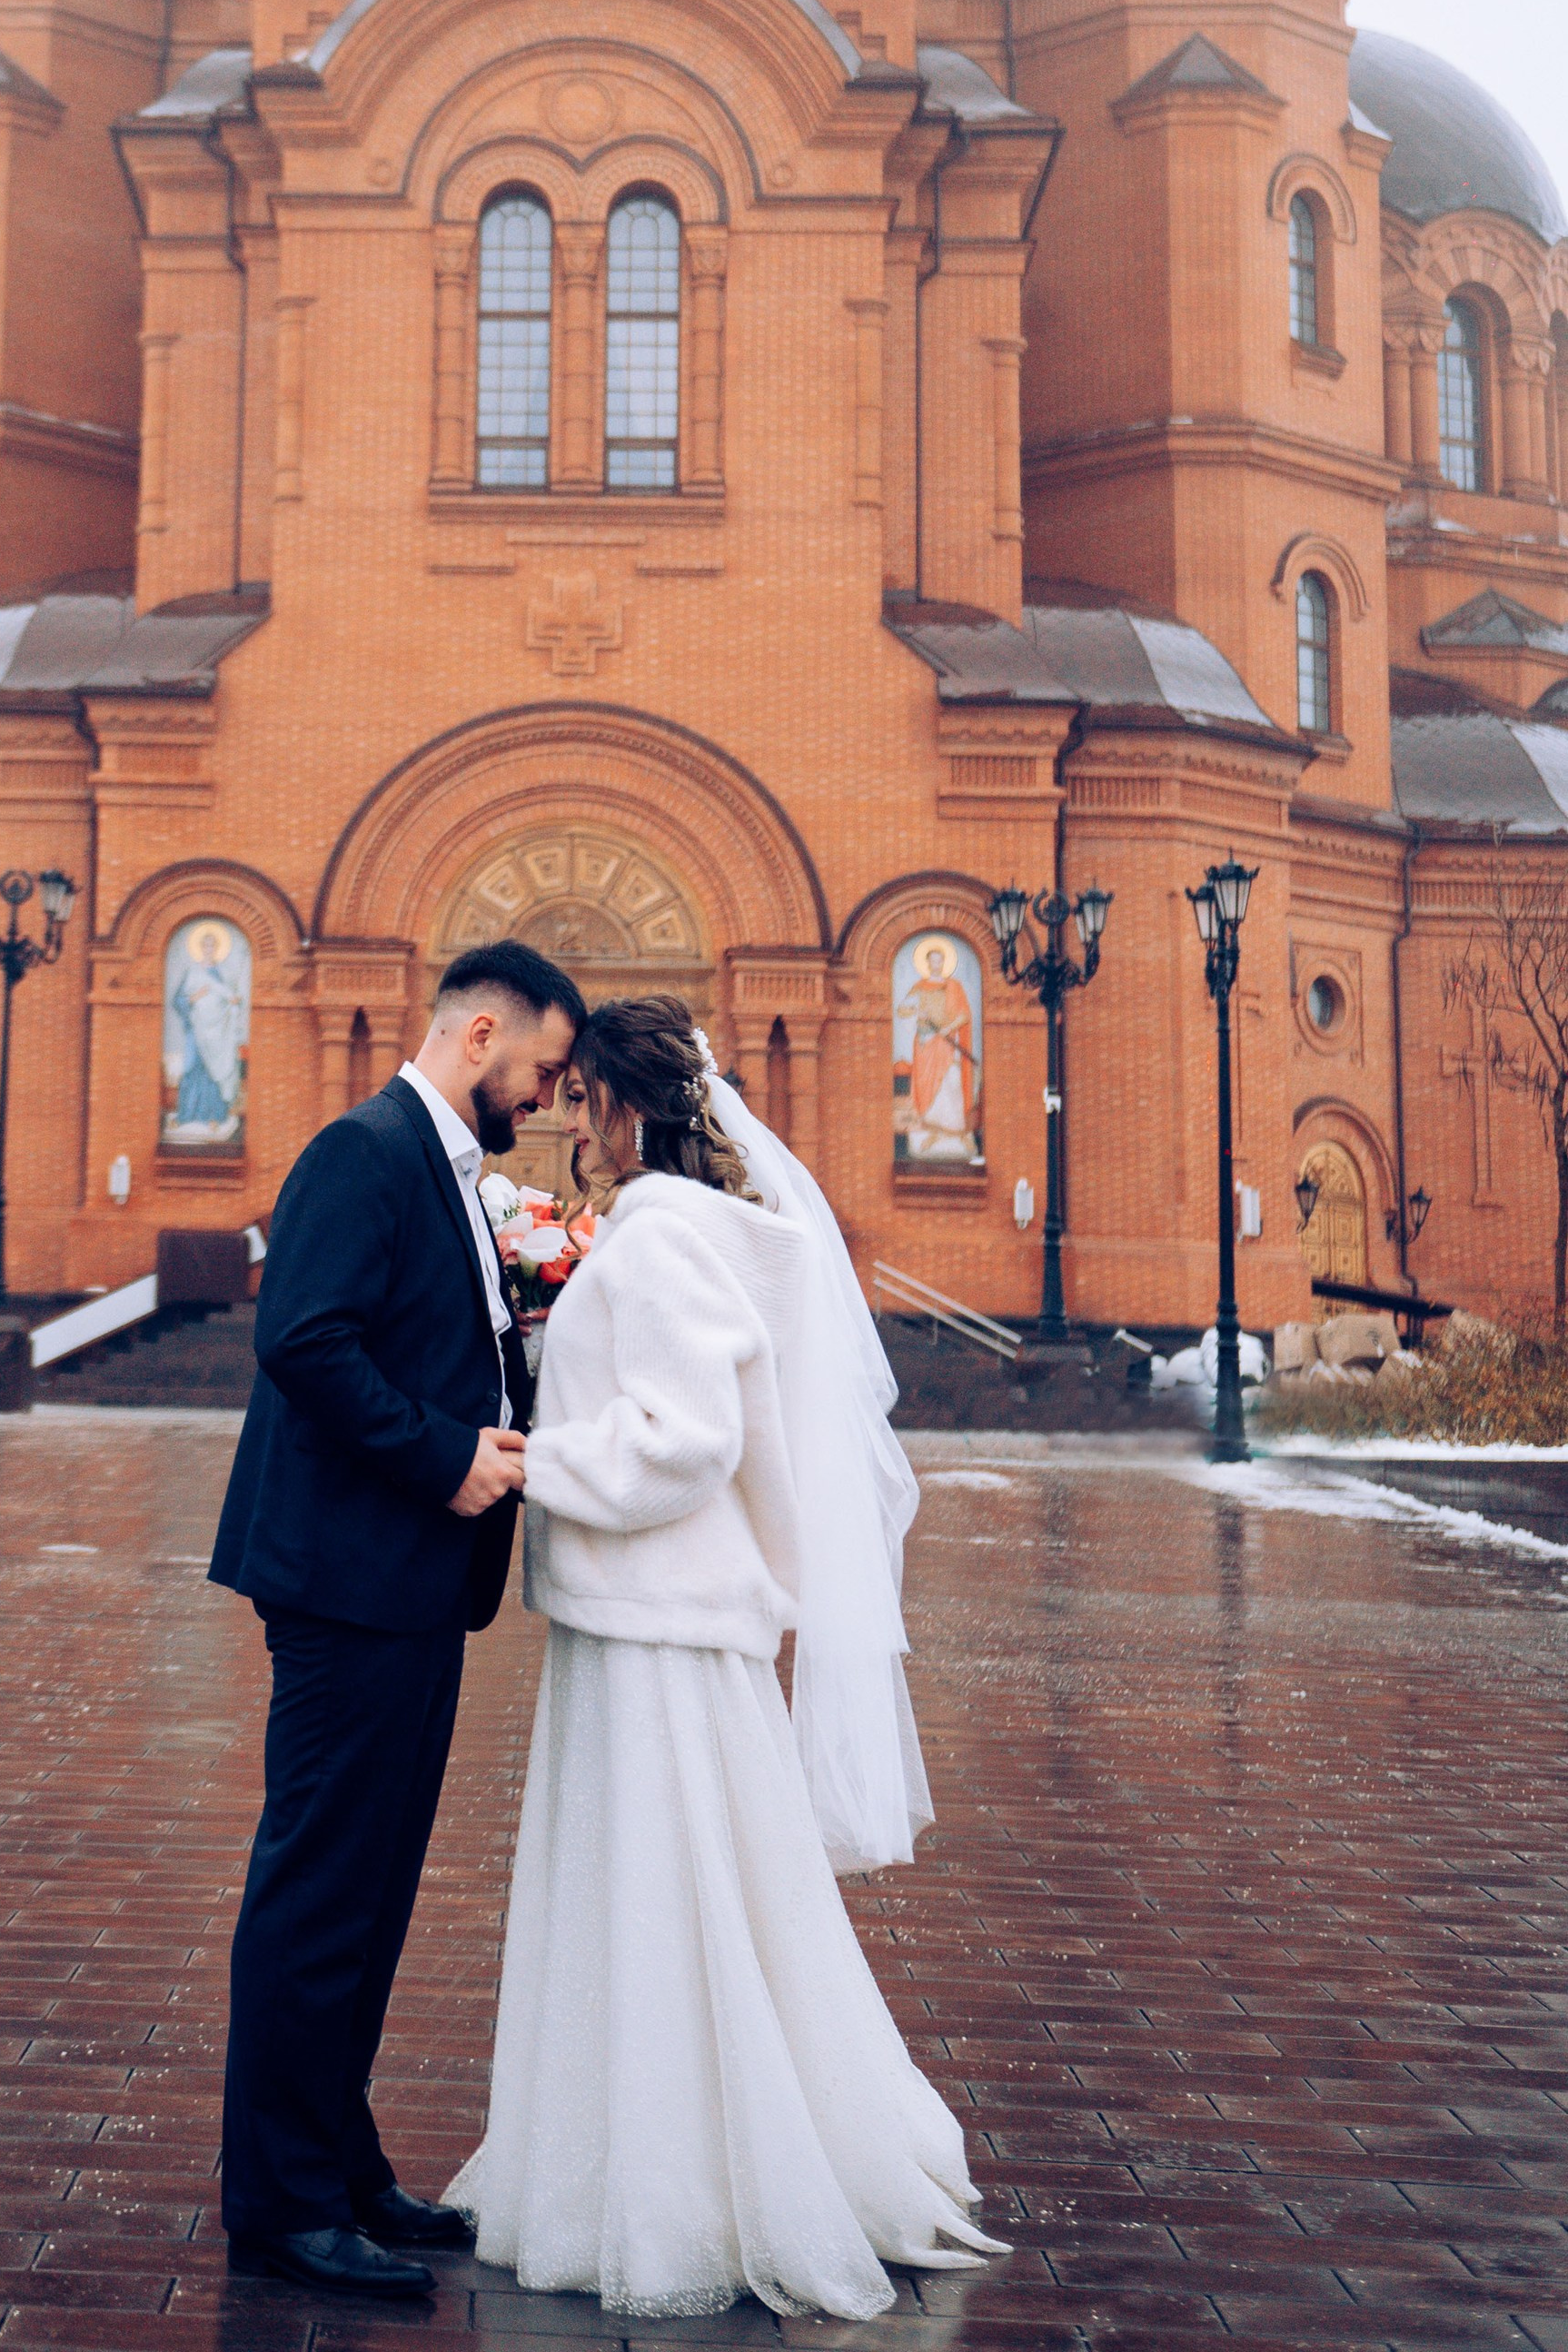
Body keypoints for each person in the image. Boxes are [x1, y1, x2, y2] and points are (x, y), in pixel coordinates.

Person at [450, 995, 1003, 2326]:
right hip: (647, 1618)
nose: (566, 1120)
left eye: (580, 1096)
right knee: (675, 1895)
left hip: (659, 1625)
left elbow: (684, 1440)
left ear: (626, 1104)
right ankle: (645, 2156)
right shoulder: (673, 1235)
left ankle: (681, 2185)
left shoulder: (665, 1244)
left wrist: (536, 1463)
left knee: (664, 1892)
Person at [210, 935, 588, 2297]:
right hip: (346, 1578)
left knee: (366, 1894)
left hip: (405, 1583)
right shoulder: (364, 1150)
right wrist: (447, 1455)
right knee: (319, 1889)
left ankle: (341, 2162)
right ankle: (280, 2201)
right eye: (542, 1068)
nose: (546, 1097)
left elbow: (424, 1336)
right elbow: (302, 1341)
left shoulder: (441, 1169)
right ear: (479, 1035)